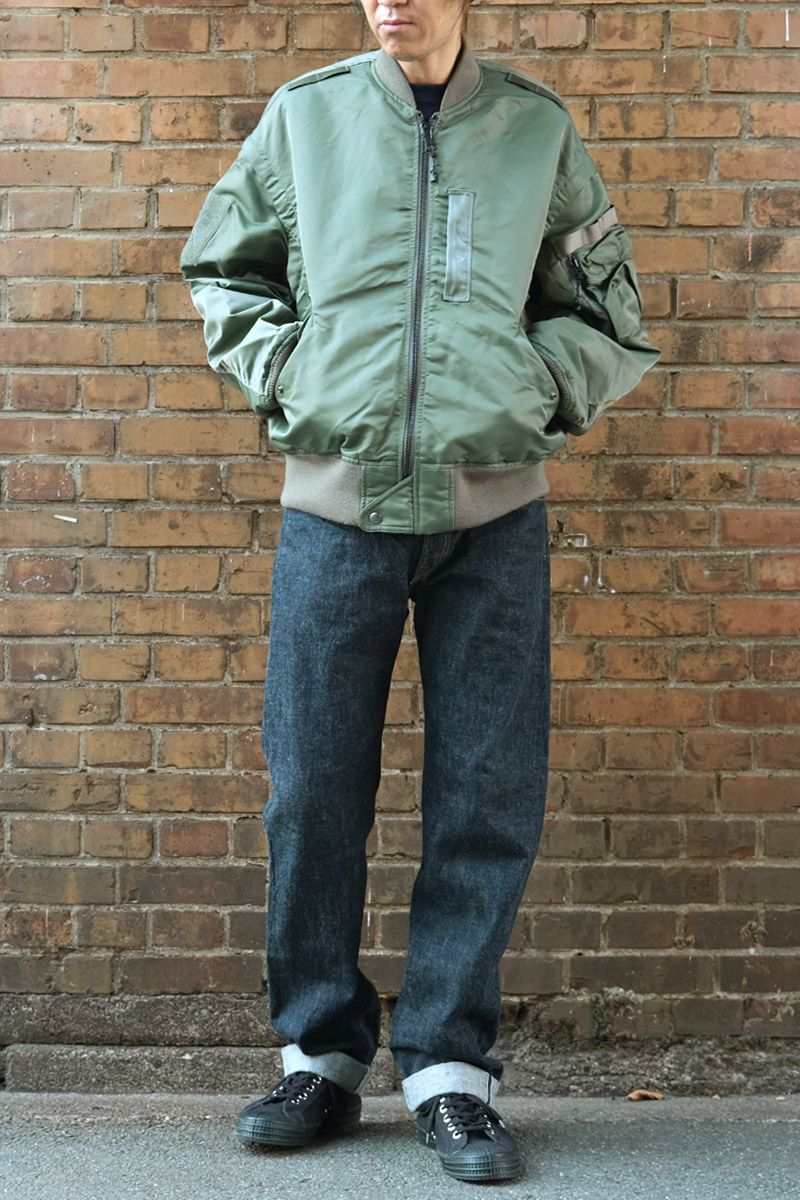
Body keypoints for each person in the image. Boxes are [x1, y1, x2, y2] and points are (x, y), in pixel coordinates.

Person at [180, 0, 660, 1184]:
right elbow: (223, 270)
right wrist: (292, 373)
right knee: (310, 790)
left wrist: (530, 392)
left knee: (484, 798)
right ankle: (320, 1052)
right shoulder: (306, 120)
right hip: (332, 513)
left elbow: (606, 312)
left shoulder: (533, 130)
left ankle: (449, 1067)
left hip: (491, 518)